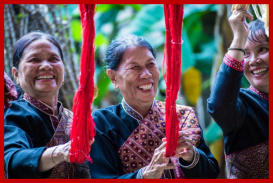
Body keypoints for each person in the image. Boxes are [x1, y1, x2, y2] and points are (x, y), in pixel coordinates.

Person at [89, 35, 219, 179]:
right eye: (134, 67)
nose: (146, 74)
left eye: (151, 64)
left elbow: (211, 173)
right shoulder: (102, 122)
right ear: (113, 77)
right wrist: (145, 175)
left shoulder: (183, 115)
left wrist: (191, 156)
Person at [4, 32, 92, 178]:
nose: (46, 66)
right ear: (16, 74)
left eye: (53, 59)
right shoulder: (13, 115)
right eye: (34, 60)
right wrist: (63, 152)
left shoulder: (74, 119)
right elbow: (12, 161)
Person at [207, 10, 268, 178]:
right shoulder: (243, 105)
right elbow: (218, 106)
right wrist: (238, 38)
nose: (254, 60)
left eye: (263, 49)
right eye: (245, 54)